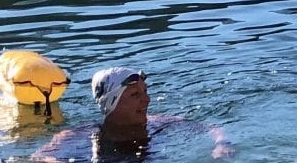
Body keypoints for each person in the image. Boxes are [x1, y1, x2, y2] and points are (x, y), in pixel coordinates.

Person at [33, 67, 229, 159]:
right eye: (135, 95)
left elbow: (209, 128)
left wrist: (222, 145)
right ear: (111, 103)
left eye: (145, 92)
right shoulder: (77, 135)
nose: (147, 100)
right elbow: (39, 156)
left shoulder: (159, 122)